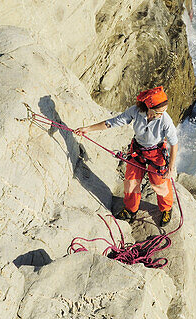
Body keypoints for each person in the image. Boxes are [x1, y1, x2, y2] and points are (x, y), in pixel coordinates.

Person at [76, 86, 179, 226]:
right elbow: (112, 122)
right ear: (149, 106)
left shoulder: (165, 121)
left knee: (159, 183)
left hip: (156, 153)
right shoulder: (135, 112)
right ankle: (131, 209)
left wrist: (171, 168)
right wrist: (87, 129)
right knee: (131, 181)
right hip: (138, 150)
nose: (162, 114)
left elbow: (174, 143)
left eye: (163, 111)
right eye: (158, 112)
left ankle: (166, 208)